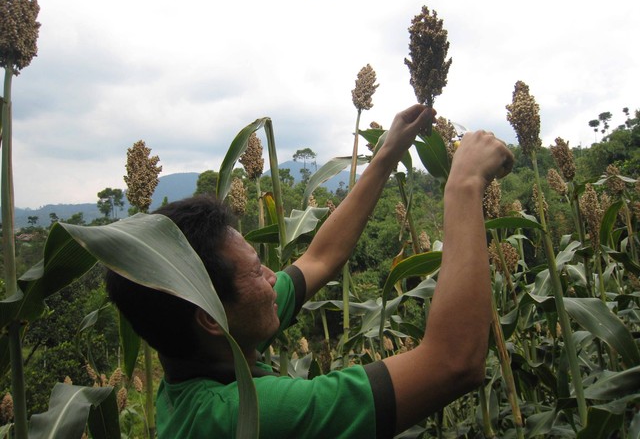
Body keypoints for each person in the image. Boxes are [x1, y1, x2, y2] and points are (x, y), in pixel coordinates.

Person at [106, 104, 514, 438]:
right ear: (210, 317)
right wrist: (464, 183)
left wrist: (386, 153)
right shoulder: (243, 416)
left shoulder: (204, 352)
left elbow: (320, 258)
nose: (272, 278)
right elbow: (454, 363)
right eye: (255, 273)